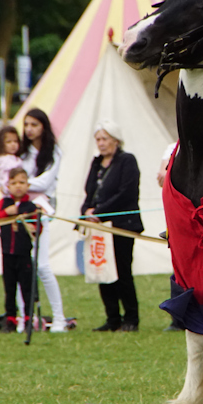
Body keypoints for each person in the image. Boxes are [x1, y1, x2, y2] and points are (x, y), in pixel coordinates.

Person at [82, 120, 143, 332]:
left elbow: (126, 192)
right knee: (102, 270)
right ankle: (112, 318)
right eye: (98, 139)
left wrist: (98, 212)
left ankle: (131, 318)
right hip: (98, 227)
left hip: (121, 225)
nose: (100, 143)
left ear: (115, 140)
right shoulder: (96, 163)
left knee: (122, 271)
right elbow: (89, 192)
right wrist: (86, 212)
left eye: (104, 139)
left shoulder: (127, 161)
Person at [18, 108, 67, 332]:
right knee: (21, 265)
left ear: (43, 127)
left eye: (34, 125)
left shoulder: (53, 152)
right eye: (26, 124)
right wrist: (20, 186)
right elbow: (5, 180)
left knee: (43, 266)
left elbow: (45, 183)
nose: (29, 129)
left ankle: (58, 318)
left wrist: (21, 184)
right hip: (19, 211)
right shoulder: (20, 153)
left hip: (41, 210)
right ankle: (23, 318)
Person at [0, 167, 52, 333]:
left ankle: (28, 319)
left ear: (27, 185)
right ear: (8, 186)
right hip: (7, 254)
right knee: (9, 288)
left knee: (27, 287)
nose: (18, 186)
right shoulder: (3, 204)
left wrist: (34, 226)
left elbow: (38, 228)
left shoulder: (31, 206)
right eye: (14, 183)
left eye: (22, 182)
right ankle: (10, 319)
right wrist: (6, 213)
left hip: (23, 253)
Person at [0, 126, 24, 196]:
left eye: (15, 141)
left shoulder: (13, 158)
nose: (13, 144)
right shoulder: (5, 160)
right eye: (9, 142)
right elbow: (4, 177)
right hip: (11, 194)